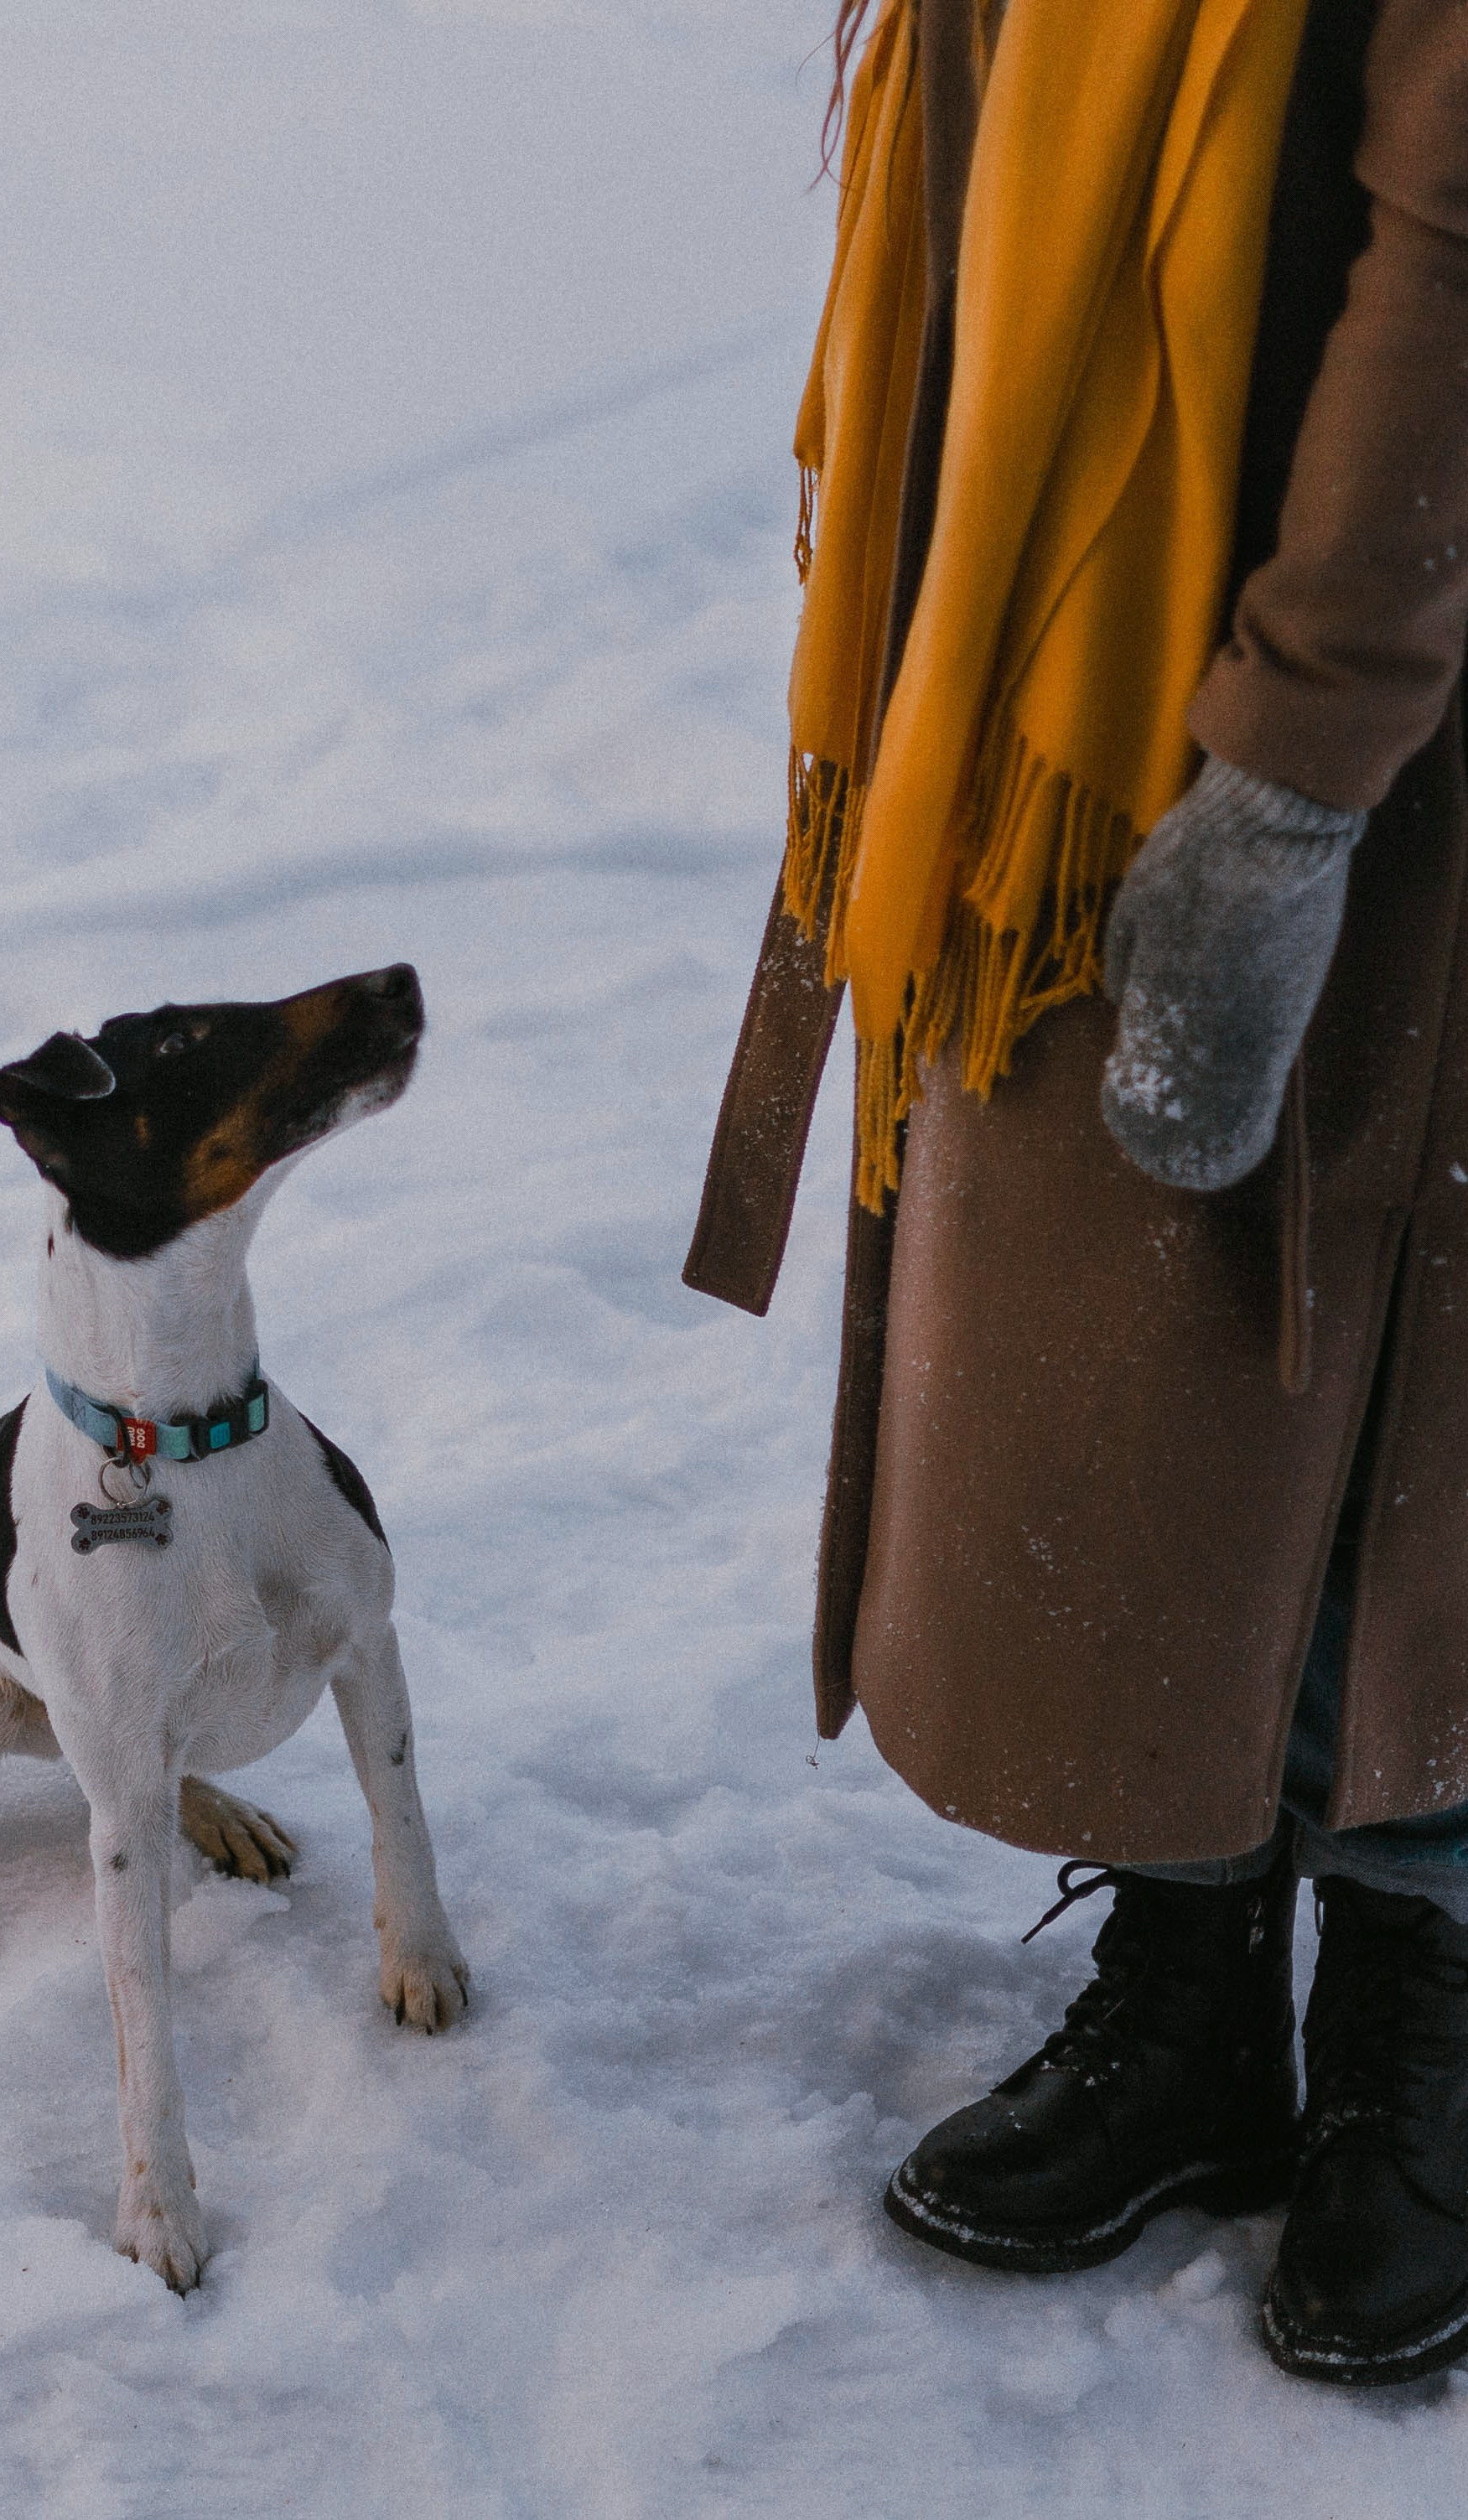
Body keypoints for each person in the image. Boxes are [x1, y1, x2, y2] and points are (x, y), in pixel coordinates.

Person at [686, 0, 1468, 2385]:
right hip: (1066, 659)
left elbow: (1455, 249)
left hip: (1362, 655)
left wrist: (1298, 768)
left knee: (1394, 1370)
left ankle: (1428, 2003)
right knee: (1145, 1362)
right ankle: (1192, 1965)